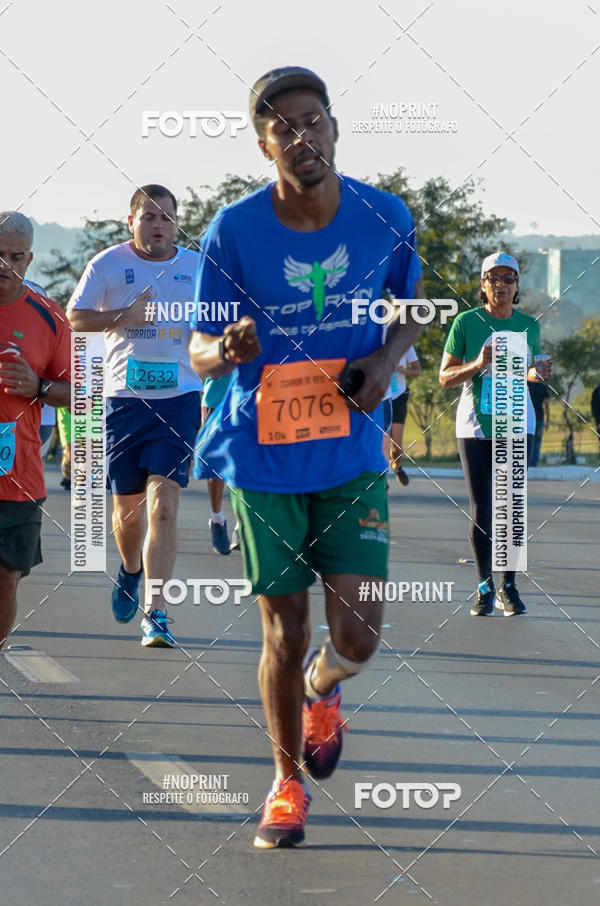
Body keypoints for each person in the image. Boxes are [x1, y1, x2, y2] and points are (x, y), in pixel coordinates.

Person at [189, 66, 424, 847]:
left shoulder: (384, 216)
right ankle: (287, 784)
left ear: (333, 128)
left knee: (357, 636)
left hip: (351, 454)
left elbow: (411, 310)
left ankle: (328, 689)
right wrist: (225, 348)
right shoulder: (233, 231)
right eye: (284, 126)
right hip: (263, 458)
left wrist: (386, 365)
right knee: (282, 633)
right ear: (264, 144)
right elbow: (198, 352)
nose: (303, 136)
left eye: (313, 120)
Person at [67, 185, 202, 647]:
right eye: (149, 217)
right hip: (124, 400)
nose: (158, 225)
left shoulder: (195, 267)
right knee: (128, 515)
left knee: (163, 509)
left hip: (181, 397)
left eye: (166, 217)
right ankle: (130, 569)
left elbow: (218, 322)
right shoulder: (107, 264)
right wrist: (121, 316)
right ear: (132, 222)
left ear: (176, 222)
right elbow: (75, 318)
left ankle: (158, 612)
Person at [439, 252, 553, 617]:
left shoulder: (528, 326)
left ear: (517, 286)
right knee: (483, 508)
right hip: (475, 424)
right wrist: (478, 363)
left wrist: (540, 372)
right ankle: (484, 587)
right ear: (482, 284)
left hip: (518, 422)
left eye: (508, 278)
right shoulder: (465, 323)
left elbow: (528, 373)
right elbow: (444, 377)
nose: (501, 285)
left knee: (511, 509)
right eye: (493, 278)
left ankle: (509, 588)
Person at [0, 212, 71, 648]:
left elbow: (78, 392)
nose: (3, 264)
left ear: (29, 260)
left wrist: (40, 386)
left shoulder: (49, 317)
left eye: (14, 256)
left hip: (17, 472)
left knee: (7, 578)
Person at [194, 373, 239, 554]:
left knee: (243, 463)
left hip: (250, 399)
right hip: (216, 400)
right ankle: (217, 519)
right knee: (216, 466)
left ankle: (242, 524)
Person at [385, 345, 420, 485]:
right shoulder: (378, 342)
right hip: (381, 397)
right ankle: (383, 481)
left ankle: (396, 467)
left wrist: (404, 370)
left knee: (397, 447)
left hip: (398, 396)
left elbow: (418, 371)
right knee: (383, 443)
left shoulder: (407, 345)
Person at [528, 378, 550, 467]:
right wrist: (548, 420)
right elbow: (547, 404)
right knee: (537, 443)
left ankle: (525, 465)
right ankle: (534, 465)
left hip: (525, 419)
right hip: (539, 419)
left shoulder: (524, 385)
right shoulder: (543, 387)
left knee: (524, 443)